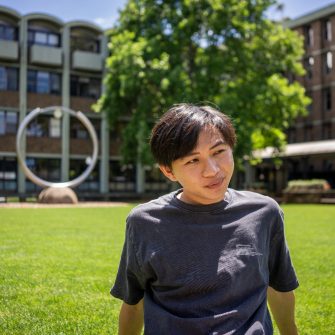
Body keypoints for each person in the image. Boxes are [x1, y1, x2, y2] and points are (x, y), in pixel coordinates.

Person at [111, 104, 299, 335]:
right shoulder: (144, 222)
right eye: (192, 161)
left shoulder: (264, 212)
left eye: (218, 152)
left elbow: (279, 287)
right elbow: (133, 300)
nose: (212, 170)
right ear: (168, 171)